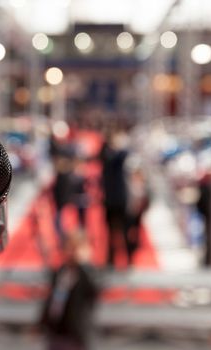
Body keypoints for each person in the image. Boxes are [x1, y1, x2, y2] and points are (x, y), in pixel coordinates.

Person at [41, 235, 99, 350]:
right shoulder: (60, 272)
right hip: (56, 329)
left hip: (75, 332)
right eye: (69, 248)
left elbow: (93, 293)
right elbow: (51, 299)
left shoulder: (85, 274)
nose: (70, 252)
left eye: (74, 248)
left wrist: (85, 263)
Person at [100, 129, 131, 267]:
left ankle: (126, 259)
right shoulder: (108, 155)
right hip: (112, 199)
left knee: (123, 232)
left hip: (118, 199)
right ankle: (112, 259)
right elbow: (122, 154)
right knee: (112, 232)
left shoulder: (112, 155)